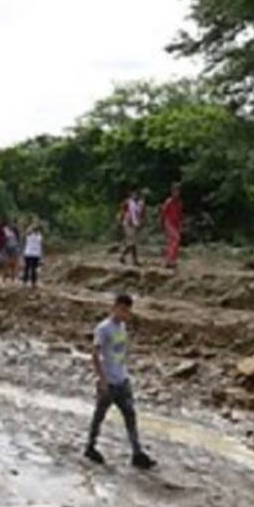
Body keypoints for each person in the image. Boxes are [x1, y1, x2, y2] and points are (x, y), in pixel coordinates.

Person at [85, 293, 155, 469]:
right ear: (114, 307)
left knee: (130, 416)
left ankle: (137, 453)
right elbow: (95, 354)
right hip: (108, 382)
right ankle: (90, 447)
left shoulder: (122, 327)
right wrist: (102, 380)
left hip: (122, 380)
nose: (125, 314)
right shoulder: (103, 328)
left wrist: (125, 373)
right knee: (99, 416)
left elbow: (120, 352)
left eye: (127, 311)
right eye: (122, 310)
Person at [118, 189, 146, 267]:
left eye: (136, 194)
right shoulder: (128, 202)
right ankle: (134, 260)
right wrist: (120, 221)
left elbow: (141, 213)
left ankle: (123, 256)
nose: (135, 195)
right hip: (128, 224)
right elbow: (122, 212)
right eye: (133, 193)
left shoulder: (139, 203)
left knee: (132, 243)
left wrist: (141, 222)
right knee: (132, 243)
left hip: (134, 224)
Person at [159, 183, 183, 269]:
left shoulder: (179, 202)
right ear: (172, 192)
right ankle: (170, 260)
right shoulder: (169, 201)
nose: (176, 193)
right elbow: (163, 213)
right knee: (176, 239)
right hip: (168, 222)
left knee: (172, 242)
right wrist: (162, 223)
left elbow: (180, 214)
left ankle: (170, 261)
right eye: (175, 191)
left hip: (175, 223)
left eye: (178, 191)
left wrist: (180, 224)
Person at [22, 221, 43, 287]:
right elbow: (40, 246)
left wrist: (31, 227)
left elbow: (26, 232)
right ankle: (33, 283)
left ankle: (25, 282)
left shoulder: (29, 235)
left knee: (27, 268)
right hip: (35, 254)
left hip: (28, 253)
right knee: (33, 269)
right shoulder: (39, 236)